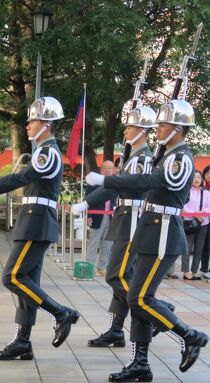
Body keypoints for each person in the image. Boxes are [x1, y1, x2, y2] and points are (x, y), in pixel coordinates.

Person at [85, 99, 210, 382]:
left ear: (178, 128)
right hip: (149, 230)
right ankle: (139, 362)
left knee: (140, 298)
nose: (158, 130)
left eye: (163, 125)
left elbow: (147, 182)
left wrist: (107, 181)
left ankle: (189, 336)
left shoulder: (180, 159)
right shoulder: (166, 155)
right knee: (137, 297)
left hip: (164, 233)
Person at [0, 97, 80, 360]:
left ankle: (61, 313)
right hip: (33, 219)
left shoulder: (48, 152)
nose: (28, 125)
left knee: (13, 277)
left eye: (33, 120)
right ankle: (22, 341)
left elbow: (20, 178)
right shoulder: (43, 151)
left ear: (47, 124)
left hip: (36, 221)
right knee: (28, 284)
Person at [72, 106, 175, 348]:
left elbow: (130, 185)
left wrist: (94, 194)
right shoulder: (132, 157)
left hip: (133, 219)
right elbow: (115, 187)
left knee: (115, 275)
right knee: (123, 276)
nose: (125, 130)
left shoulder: (142, 159)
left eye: (130, 127)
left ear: (141, 131)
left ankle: (157, 309)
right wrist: (87, 202)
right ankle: (116, 329)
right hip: (124, 215)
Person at [86, 160, 116, 276]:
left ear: (113, 170)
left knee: (107, 244)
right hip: (97, 215)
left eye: (110, 168)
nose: (107, 170)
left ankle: (102, 268)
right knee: (93, 243)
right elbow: (87, 199)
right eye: (105, 168)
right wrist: (89, 215)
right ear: (101, 169)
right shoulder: (94, 183)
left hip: (111, 216)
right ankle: (89, 267)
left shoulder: (117, 182)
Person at [181, 171, 210, 280]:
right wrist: (195, 214)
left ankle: (194, 271)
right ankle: (186, 271)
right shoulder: (186, 191)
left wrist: (202, 213)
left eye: (199, 177)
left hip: (203, 223)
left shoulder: (206, 193)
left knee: (199, 249)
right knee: (187, 248)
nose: (197, 179)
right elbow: (183, 206)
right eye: (194, 177)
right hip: (189, 223)